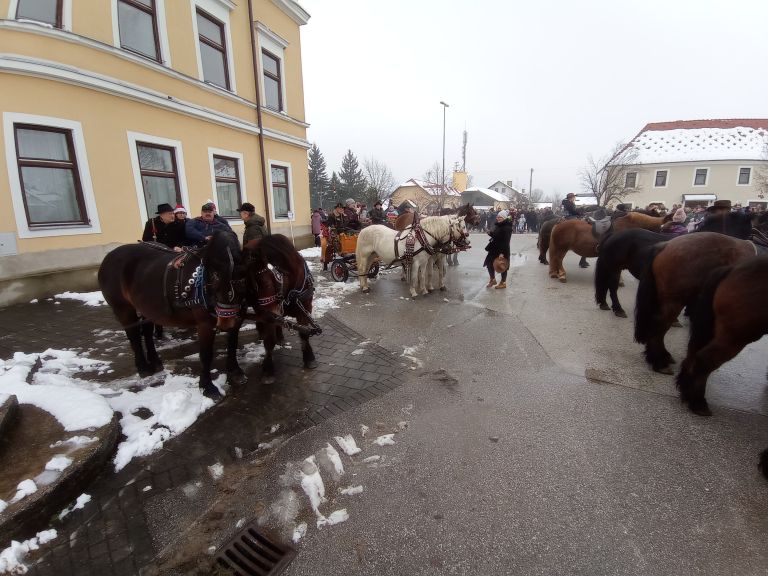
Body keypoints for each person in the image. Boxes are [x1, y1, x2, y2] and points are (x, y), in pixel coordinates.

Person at [483, 209, 514, 289]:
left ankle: (503, 282)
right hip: (494, 248)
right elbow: (496, 236)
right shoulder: (499, 225)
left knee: (502, 266)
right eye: (498, 217)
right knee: (489, 263)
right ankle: (492, 279)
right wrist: (490, 233)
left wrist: (502, 253)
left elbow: (505, 242)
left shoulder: (507, 228)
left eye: (500, 217)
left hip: (502, 250)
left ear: (504, 218)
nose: (498, 218)